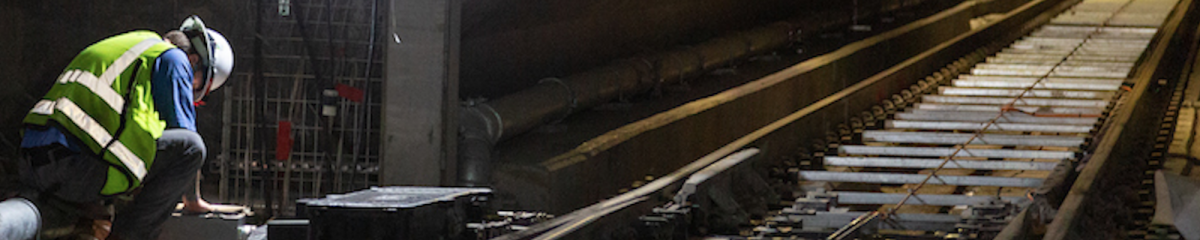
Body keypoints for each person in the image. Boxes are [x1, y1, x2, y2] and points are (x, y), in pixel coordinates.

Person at [0, 15, 234, 240]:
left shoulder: (131, 47)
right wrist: (192, 200)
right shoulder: (173, 58)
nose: (188, 91)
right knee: (191, 148)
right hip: (75, 166)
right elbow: (186, 138)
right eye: (195, 86)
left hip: (34, 162)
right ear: (193, 61)